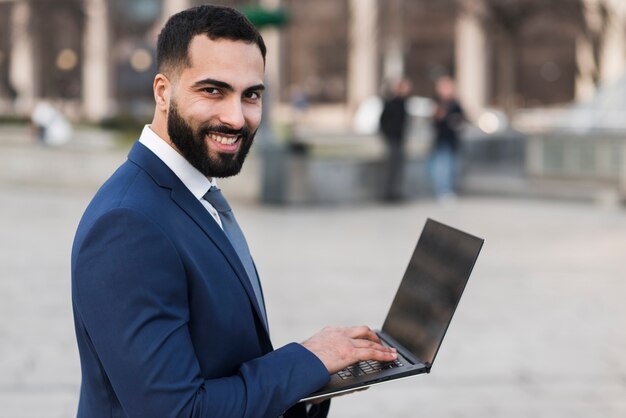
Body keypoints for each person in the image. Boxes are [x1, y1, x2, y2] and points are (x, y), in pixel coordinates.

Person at [71, 5, 397, 418]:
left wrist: (319, 370)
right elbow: (177, 412)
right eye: (213, 90)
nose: (236, 117)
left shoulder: (192, 195)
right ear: (162, 92)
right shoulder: (127, 225)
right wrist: (306, 360)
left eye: (252, 95)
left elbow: (222, 365)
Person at [429, 75, 465, 200]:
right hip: (441, 140)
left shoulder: (455, 104)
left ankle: (448, 189)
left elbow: (462, 120)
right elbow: (433, 121)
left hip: (453, 139)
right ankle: (443, 190)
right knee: (441, 166)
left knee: (452, 166)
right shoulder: (436, 103)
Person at [379, 77, 412, 202]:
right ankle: (388, 193)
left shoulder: (404, 103)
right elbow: (383, 122)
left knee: (398, 167)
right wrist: (389, 135)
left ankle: (396, 192)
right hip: (393, 139)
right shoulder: (392, 103)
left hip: (399, 139)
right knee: (391, 167)